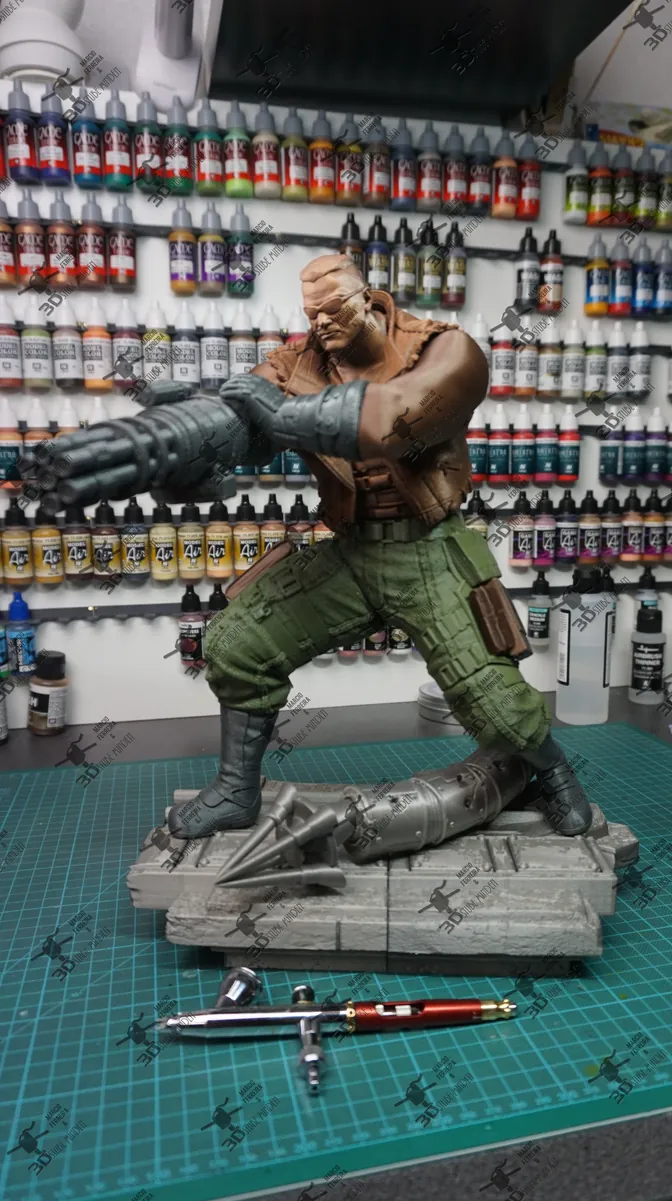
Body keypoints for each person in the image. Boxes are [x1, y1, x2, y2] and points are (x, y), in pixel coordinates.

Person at [163, 254, 592, 840]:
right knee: (236, 644)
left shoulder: (443, 349)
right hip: (351, 552)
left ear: (367, 298)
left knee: (493, 701)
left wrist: (284, 414)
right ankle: (237, 788)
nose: (320, 323)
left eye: (332, 309)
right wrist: (188, 434)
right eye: (311, 314)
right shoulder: (297, 363)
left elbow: (394, 421)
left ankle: (555, 775)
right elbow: (239, 424)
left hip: (429, 550)